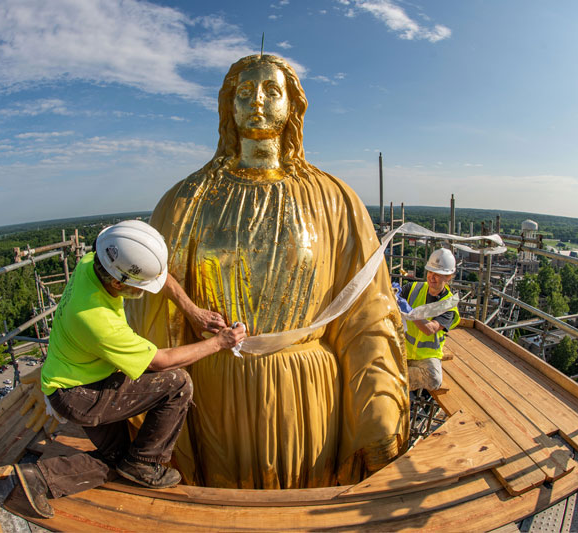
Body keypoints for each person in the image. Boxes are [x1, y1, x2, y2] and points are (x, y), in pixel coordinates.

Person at [126, 54, 409, 489]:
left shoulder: (335, 201)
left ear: (293, 105)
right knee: (222, 499)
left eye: (271, 90)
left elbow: (368, 311)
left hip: (307, 392)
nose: (257, 100)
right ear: (229, 106)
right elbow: (150, 307)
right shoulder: (184, 202)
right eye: (244, 91)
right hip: (216, 390)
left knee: (303, 497)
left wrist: (378, 411)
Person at [15, 220, 246, 519]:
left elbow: (158, 278)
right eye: (137, 287)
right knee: (176, 383)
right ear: (117, 284)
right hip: (81, 395)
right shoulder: (95, 318)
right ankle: (146, 462)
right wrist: (221, 342)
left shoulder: (95, 261)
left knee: (116, 459)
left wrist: (193, 311)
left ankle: (33, 481)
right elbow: (160, 362)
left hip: (71, 380)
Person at [400, 248, 460, 391]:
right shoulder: (413, 288)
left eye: (438, 274)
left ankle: (396, 380)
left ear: (449, 277)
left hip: (426, 358)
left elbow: (430, 329)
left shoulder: (449, 305)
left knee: (434, 379)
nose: (432, 277)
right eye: (430, 272)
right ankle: (399, 378)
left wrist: (411, 313)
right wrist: (392, 293)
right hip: (403, 348)